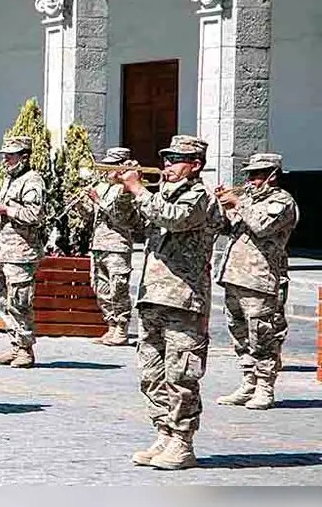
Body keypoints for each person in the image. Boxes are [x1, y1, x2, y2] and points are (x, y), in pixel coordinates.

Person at [113, 134, 221, 471]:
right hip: (154, 296)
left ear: (195, 165)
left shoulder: (200, 197)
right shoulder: (160, 194)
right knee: (152, 373)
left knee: (182, 374)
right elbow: (126, 223)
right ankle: (163, 431)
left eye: (176, 159)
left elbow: (174, 218)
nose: (167, 165)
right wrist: (122, 191)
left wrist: (138, 190)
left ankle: (183, 442)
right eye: (166, 158)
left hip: (184, 299)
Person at [215, 153, 299, 410]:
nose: (251, 180)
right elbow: (227, 229)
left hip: (261, 279)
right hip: (234, 275)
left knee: (263, 334)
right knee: (239, 333)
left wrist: (238, 203)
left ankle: (265, 386)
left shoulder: (281, 201)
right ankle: (248, 381)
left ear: (273, 175)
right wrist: (222, 207)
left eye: (258, 174)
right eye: (250, 174)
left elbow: (262, 226)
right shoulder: (248, 200)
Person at [0, 136, 46, 368]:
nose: (5, 160)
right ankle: (15, 344)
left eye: (10, 156)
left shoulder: (32, 180)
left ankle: (25, 348)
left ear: (24, 157)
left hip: (22, 252)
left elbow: (35, 215)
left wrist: (5, 209)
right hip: (5, 250)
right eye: (4, 155)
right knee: (3, 301)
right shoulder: (9, 179)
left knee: (20, 302)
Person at [84, 147, 144, 346]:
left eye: (110, 166)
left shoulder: (126, 190)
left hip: (117, 245)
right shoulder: (101, 186)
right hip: (98, 243)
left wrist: (98, 201)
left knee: (118, 287)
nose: (106, 170)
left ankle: (122, 327)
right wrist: (80, 204)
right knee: (101, 288)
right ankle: (110, 325)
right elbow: (91, 217)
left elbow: (121, 218)